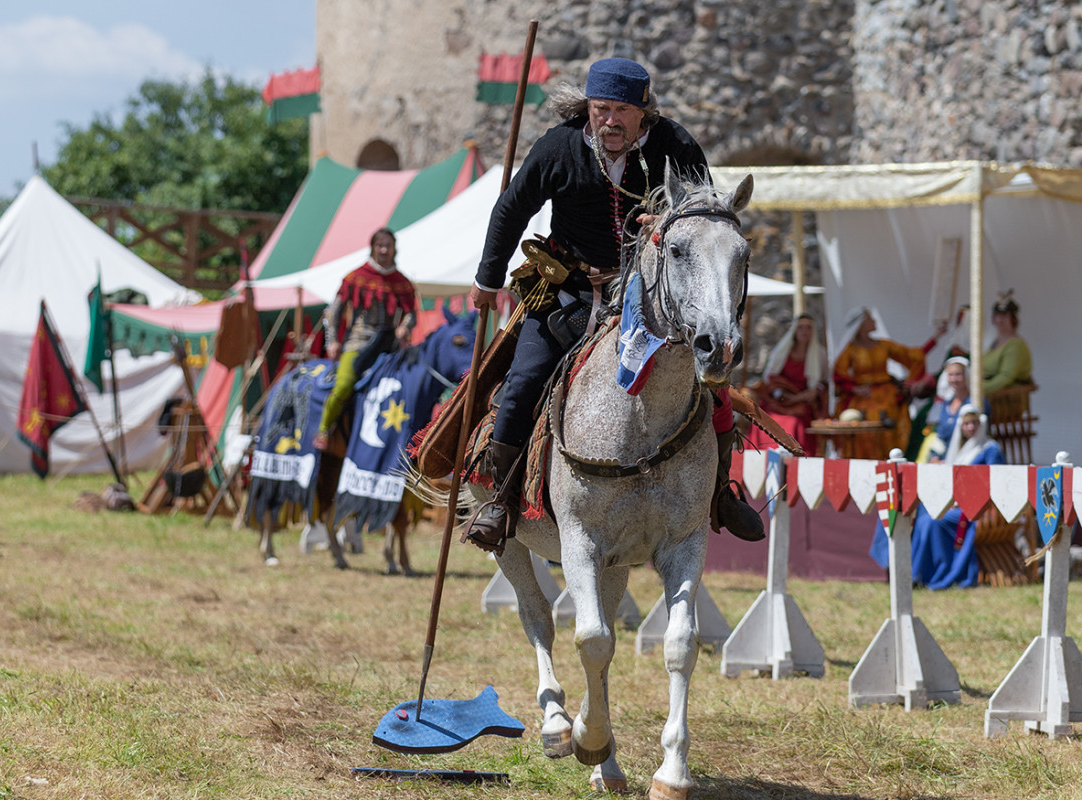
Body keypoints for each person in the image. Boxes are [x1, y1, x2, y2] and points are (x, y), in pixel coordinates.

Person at [462, 56, 764, 553]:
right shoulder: (559, 146)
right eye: (600, 109)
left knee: (710, 383)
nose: (609, 120)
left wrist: (664, 226)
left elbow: (701, 217)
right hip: (566, 294)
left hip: (648, 298)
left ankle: (719, 491)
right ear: (588, 108)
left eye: (621, 110)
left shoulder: (676, 145)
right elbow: (511, 209)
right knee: (520, 385)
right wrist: (485, 280)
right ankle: (501, 499)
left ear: (643, 112)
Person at [871, 404, 1006, 589]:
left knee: (932, 522)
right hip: (953, 501)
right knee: (909, 509)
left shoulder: (991, 450)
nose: (971, 427)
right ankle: (898, 566)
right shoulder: (961, 449)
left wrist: (963, 502)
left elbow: (995, 484)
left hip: (974, 509)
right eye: (966, 423)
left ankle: (927, 574)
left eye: (974, 423)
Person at [312, 228, 416, 451]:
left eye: (388, 245)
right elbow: (333, 312)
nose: (384, 250)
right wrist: (331, 341)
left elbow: (411, 313)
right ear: (373, 247)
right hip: (358, 342)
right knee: (344, 385)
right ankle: (324, 429)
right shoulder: (356, 277)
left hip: (390, 345)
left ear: (394, 248)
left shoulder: (402, 283)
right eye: (380, 245)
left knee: (411, 382)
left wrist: (404, 327)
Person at [832, 307, 943, 459]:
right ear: (861, 325)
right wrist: (855, 389)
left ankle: (893, 461)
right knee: (862, 420)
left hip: (887, 394)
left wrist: (936, 337)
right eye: (870, 318)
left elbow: (913, 356)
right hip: (863, 397)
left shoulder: (883, 345)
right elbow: (839, 375)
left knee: (891, 417)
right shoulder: (851, 350)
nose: (874, 321)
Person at [759, 313, 828, 454]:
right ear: (795, 331)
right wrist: (787, 396)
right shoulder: (782, 352)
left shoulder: (820, 354)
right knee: (770, 419)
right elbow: (771, 378)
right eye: (801, 327)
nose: (804, 331)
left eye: (808, 328)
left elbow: (825, 381)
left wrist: (815, 391)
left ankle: (798, 459)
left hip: (805, 402)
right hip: (780, 399)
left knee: (795, 422)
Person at [983, 291, 1033, 393]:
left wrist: (979, 388)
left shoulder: (1015, 345)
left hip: (1003, 400)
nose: (1000, 320)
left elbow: (1005, 377)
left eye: (1005, 316)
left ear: (1013, 319)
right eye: (997, 315)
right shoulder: (995, 341)